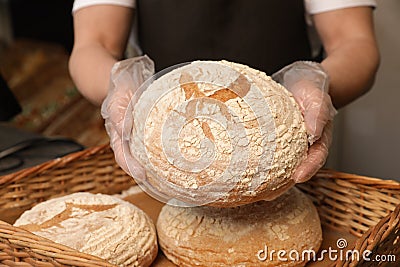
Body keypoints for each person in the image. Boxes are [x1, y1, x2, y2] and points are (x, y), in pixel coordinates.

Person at [68, 0, 380, 184]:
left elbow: (353, 41)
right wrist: (121, 86)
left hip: (286, 151)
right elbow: (93, 43)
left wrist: (315, 82)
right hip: (168, 149)